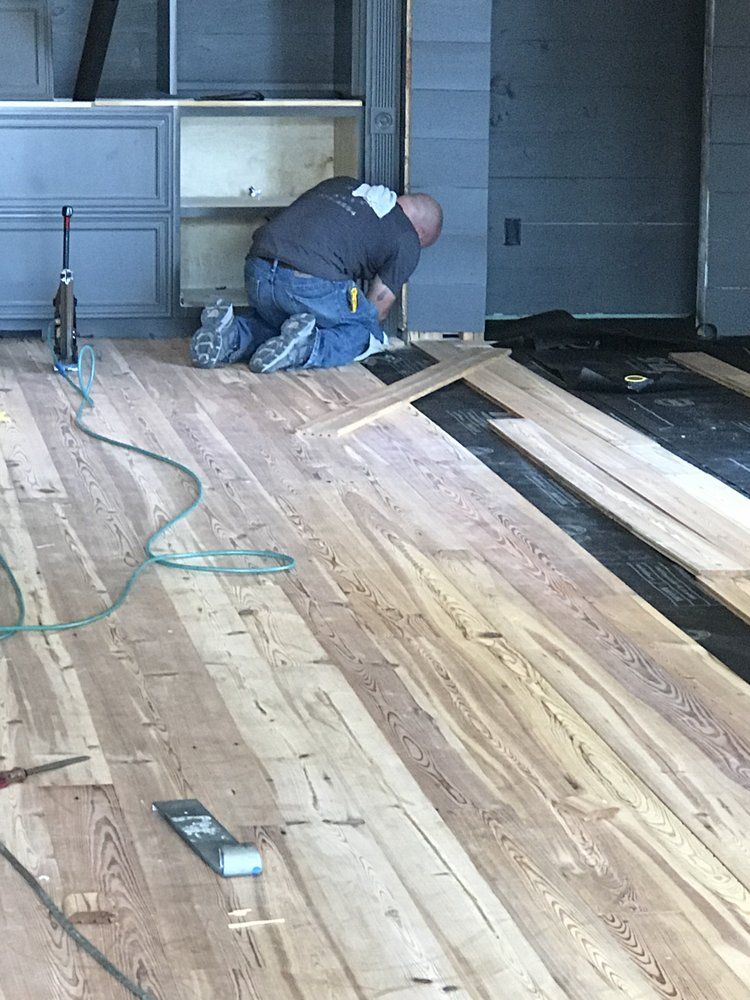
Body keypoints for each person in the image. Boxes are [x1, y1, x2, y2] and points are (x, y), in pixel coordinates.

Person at [190, 176, 443, 374]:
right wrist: (352, 322)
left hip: (257, 269)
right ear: (420, 233)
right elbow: (378, 306)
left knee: (287, 324)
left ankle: (231, 334)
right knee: (367, 331)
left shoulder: (342, 183)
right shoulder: (407, 238)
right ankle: (308, 348)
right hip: (308, 282)